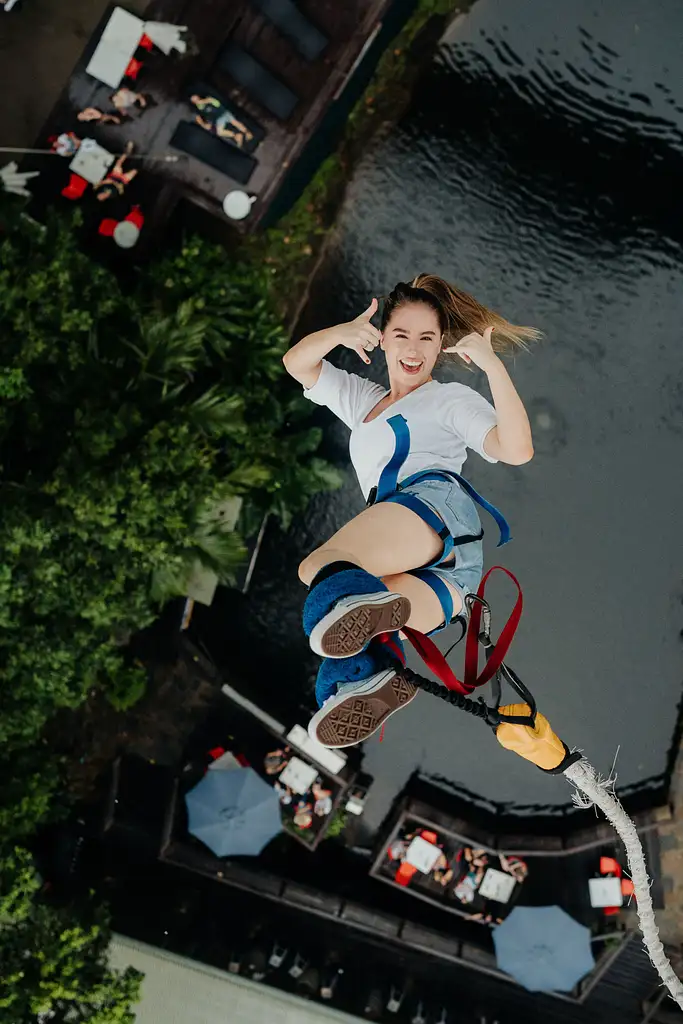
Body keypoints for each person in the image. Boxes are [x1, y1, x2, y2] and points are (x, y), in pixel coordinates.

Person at [283, 275, 538, 748]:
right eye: (401, 335)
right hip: (454, 578)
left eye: (427, 338)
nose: (414, 348)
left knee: (317, 571)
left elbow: (517, 449)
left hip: (432, 513)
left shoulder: (450, 400)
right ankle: (374, 679)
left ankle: (377, 645)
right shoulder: (360, 399)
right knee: (355, 629)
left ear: (442, 346)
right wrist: (340, 333)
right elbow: (296, 361)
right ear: (381, 339)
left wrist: (491, 364)